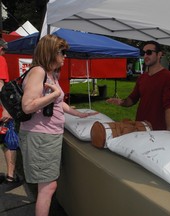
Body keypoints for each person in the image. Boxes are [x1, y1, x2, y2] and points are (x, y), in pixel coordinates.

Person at [18, 34, 98, 216]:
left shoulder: (50, 74)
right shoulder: (38, 72)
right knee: (47, 188)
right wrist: (53, 95)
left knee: (48, 186)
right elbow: (28, 105)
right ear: (51, 52)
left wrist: (77, 113)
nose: (65, 56)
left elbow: (57, 101)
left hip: (48, 136)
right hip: (40, 137)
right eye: (62, 52)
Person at [106, 41, 170, 131]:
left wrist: (169, 131)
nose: (146, 56)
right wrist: (121, 102)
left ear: (159, 54)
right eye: (143, 53)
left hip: (158, 130)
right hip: (140, 127)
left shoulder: (168, 77)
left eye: (149, 52)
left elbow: (169, 107)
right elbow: (133, 98)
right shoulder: (142, 77)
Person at [0, 38, 22, 189]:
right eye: (3, 50)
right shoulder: (0, 60)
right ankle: (10, 176)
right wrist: (6, 108)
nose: (4, 53)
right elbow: (0, 85)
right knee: (10, 141)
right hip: (1, 112)